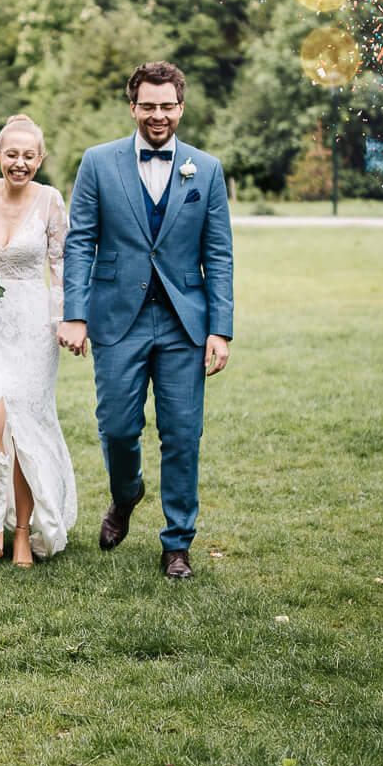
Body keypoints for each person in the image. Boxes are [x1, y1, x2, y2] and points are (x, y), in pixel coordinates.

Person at [59, 61, 233, 579]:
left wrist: (220, 328)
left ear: (181, 107)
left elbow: (218, 254)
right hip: (117, 317)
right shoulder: (97, 162)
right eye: (148, 106)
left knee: (183, 433)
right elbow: (80, 242)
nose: (158, 115)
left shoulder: (206, 168)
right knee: (116, 427)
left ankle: (177, 543)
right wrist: (74, 314)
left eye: (168, 106)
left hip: (184, 323)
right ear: (133, 106)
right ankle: (126, 491)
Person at [0, 114, 78, 566]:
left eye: (29, 156)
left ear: (40, 160)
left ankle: (21, 530)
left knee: (22, 426)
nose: (19, 163)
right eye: (12, 154)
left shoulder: (50, 200)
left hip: (32, 326)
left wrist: (68, 320)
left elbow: (62, 265)